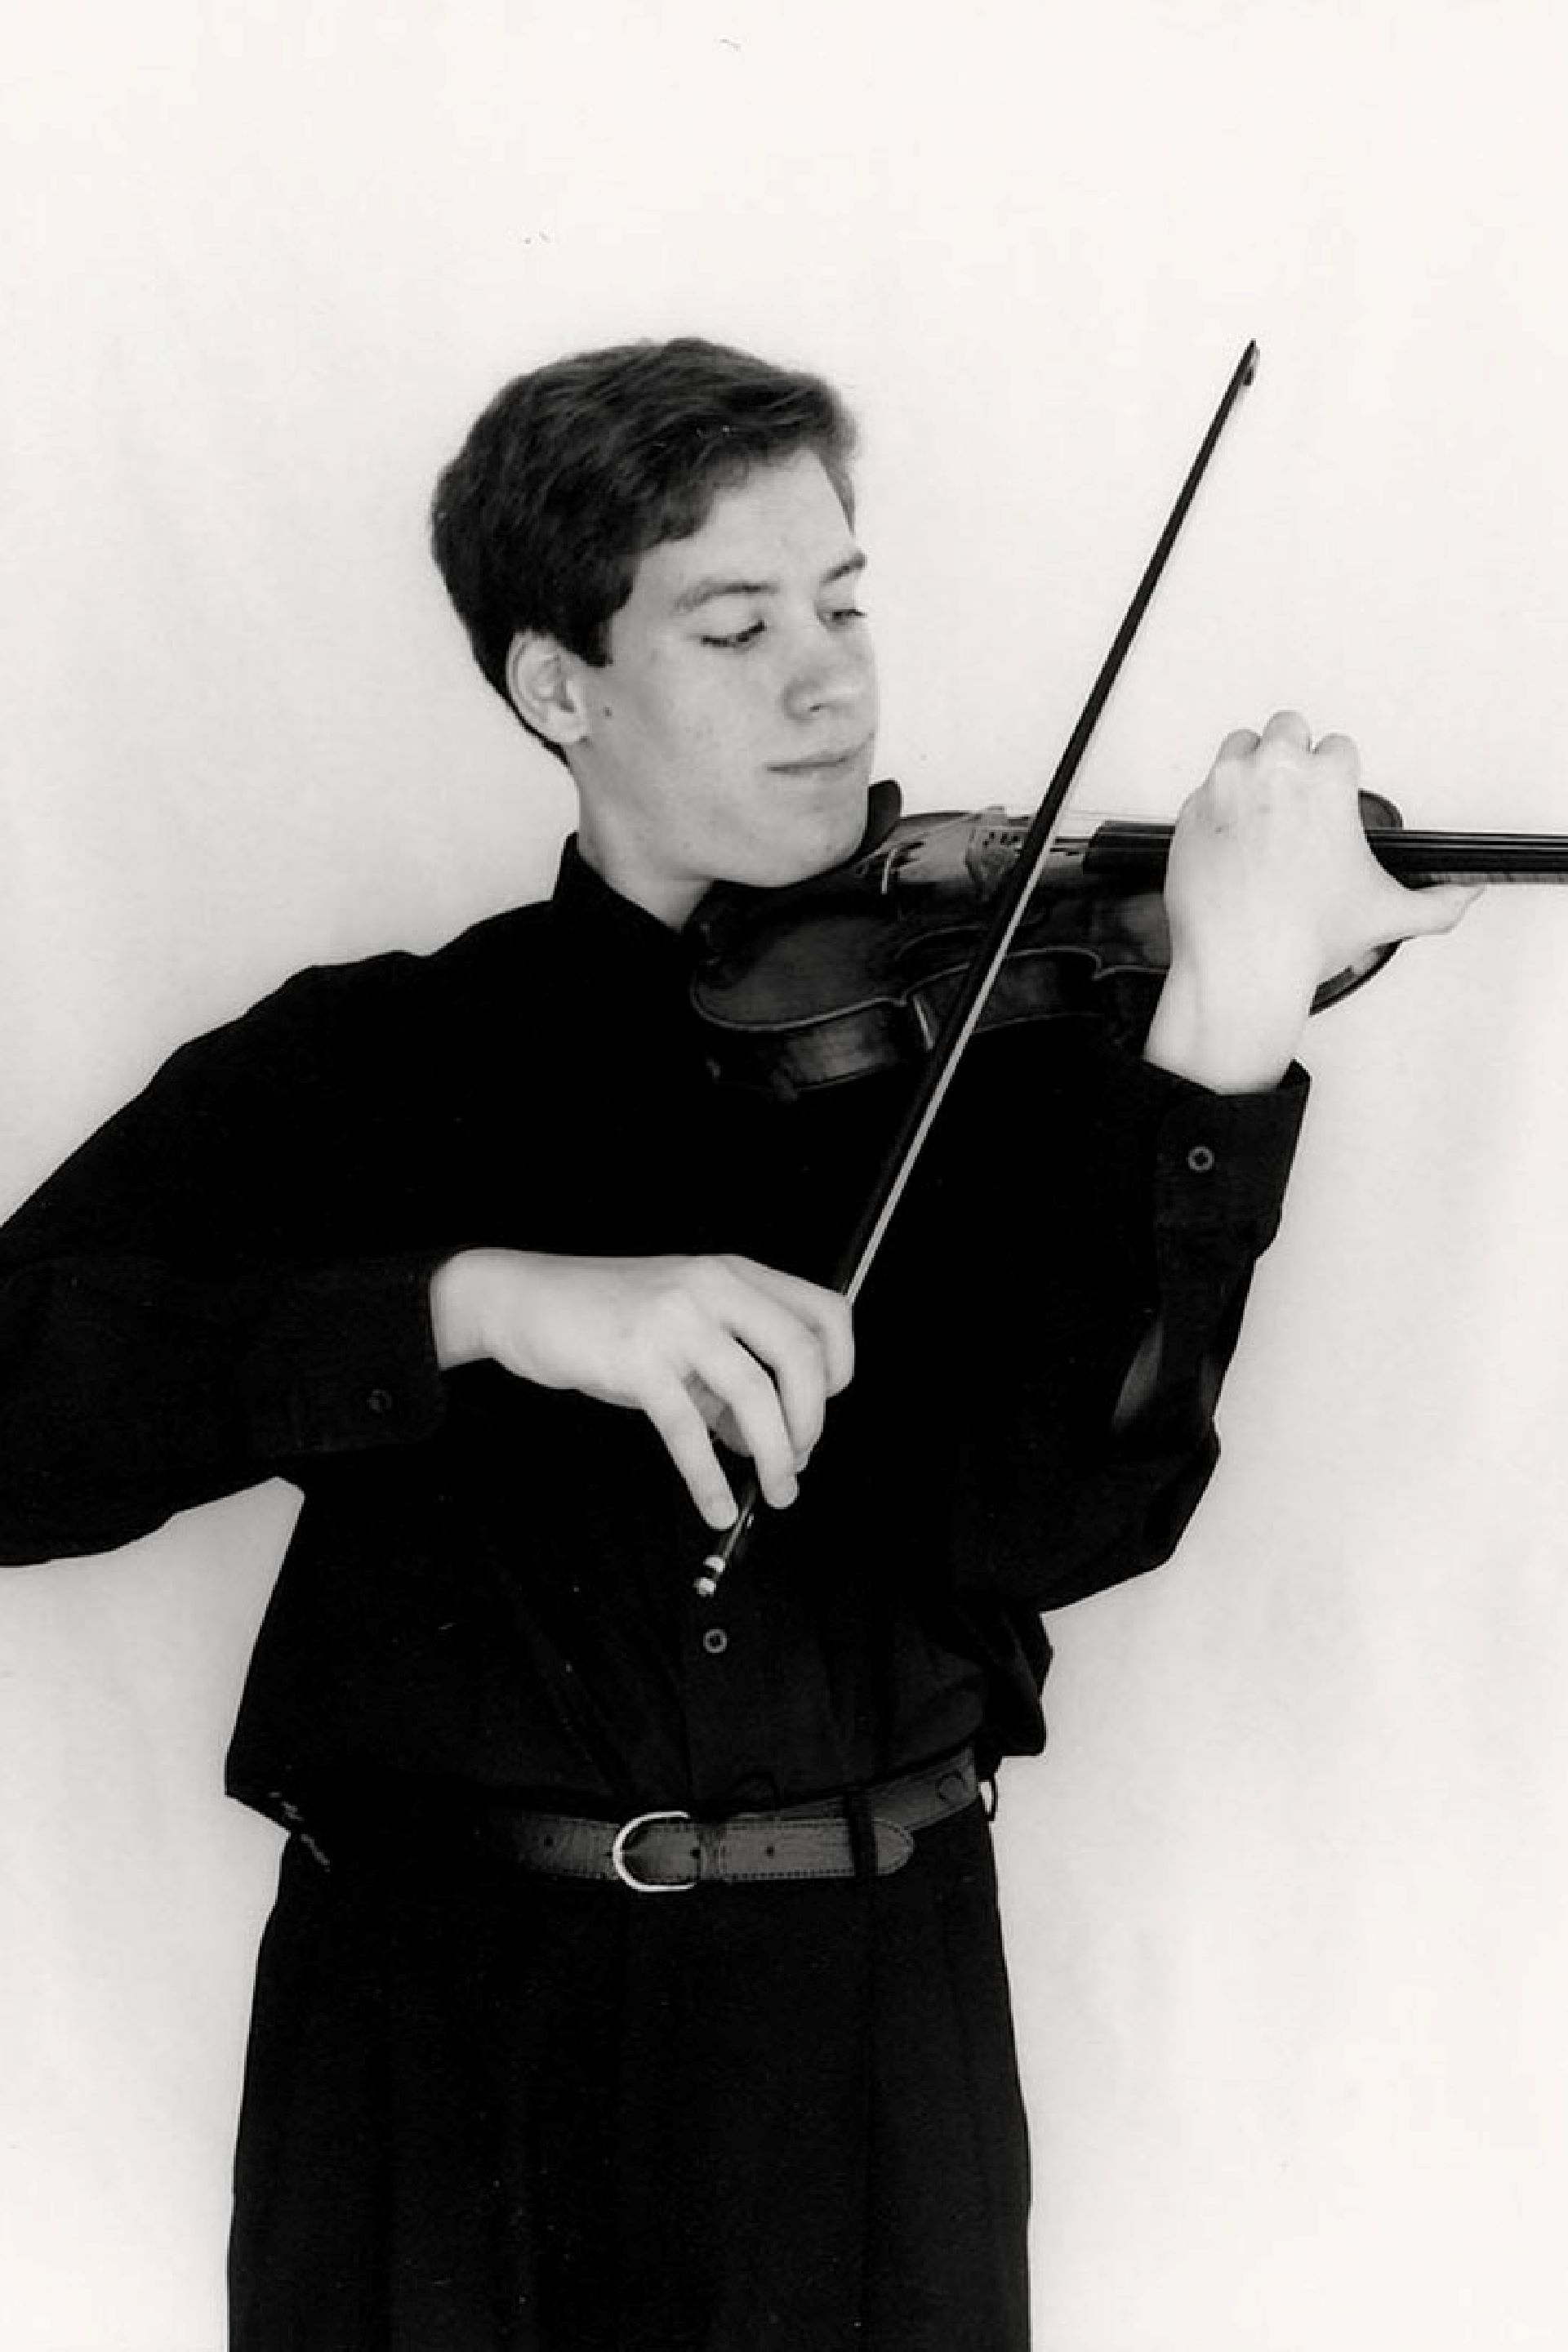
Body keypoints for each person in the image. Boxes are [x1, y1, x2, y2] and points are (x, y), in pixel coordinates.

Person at [0, 338, 1475, 2352]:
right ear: (559, 686)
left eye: (845, 607)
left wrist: (1225, 1030)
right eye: (736, 624)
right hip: (430, 2048)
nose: (829, 683)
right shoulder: (369, 1061)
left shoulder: (1007, 1058)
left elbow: (1054, 1525)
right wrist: (478, 1303)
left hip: (862, 2049)